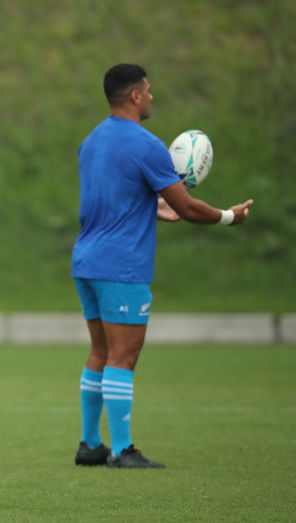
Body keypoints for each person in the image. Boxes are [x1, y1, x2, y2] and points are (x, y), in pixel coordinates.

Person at [72, 63, 253, 468]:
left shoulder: (91, 141)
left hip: (86, 261)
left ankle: (89, 445)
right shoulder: (147, 144)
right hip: (122, 265)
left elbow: (110, 199)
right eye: (149, 91)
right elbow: (187, 206)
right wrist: (229, 217)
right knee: (124, 356)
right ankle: (122, 450)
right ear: (135, 96)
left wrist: (149, 208)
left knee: (100, 351)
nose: (152, 97)